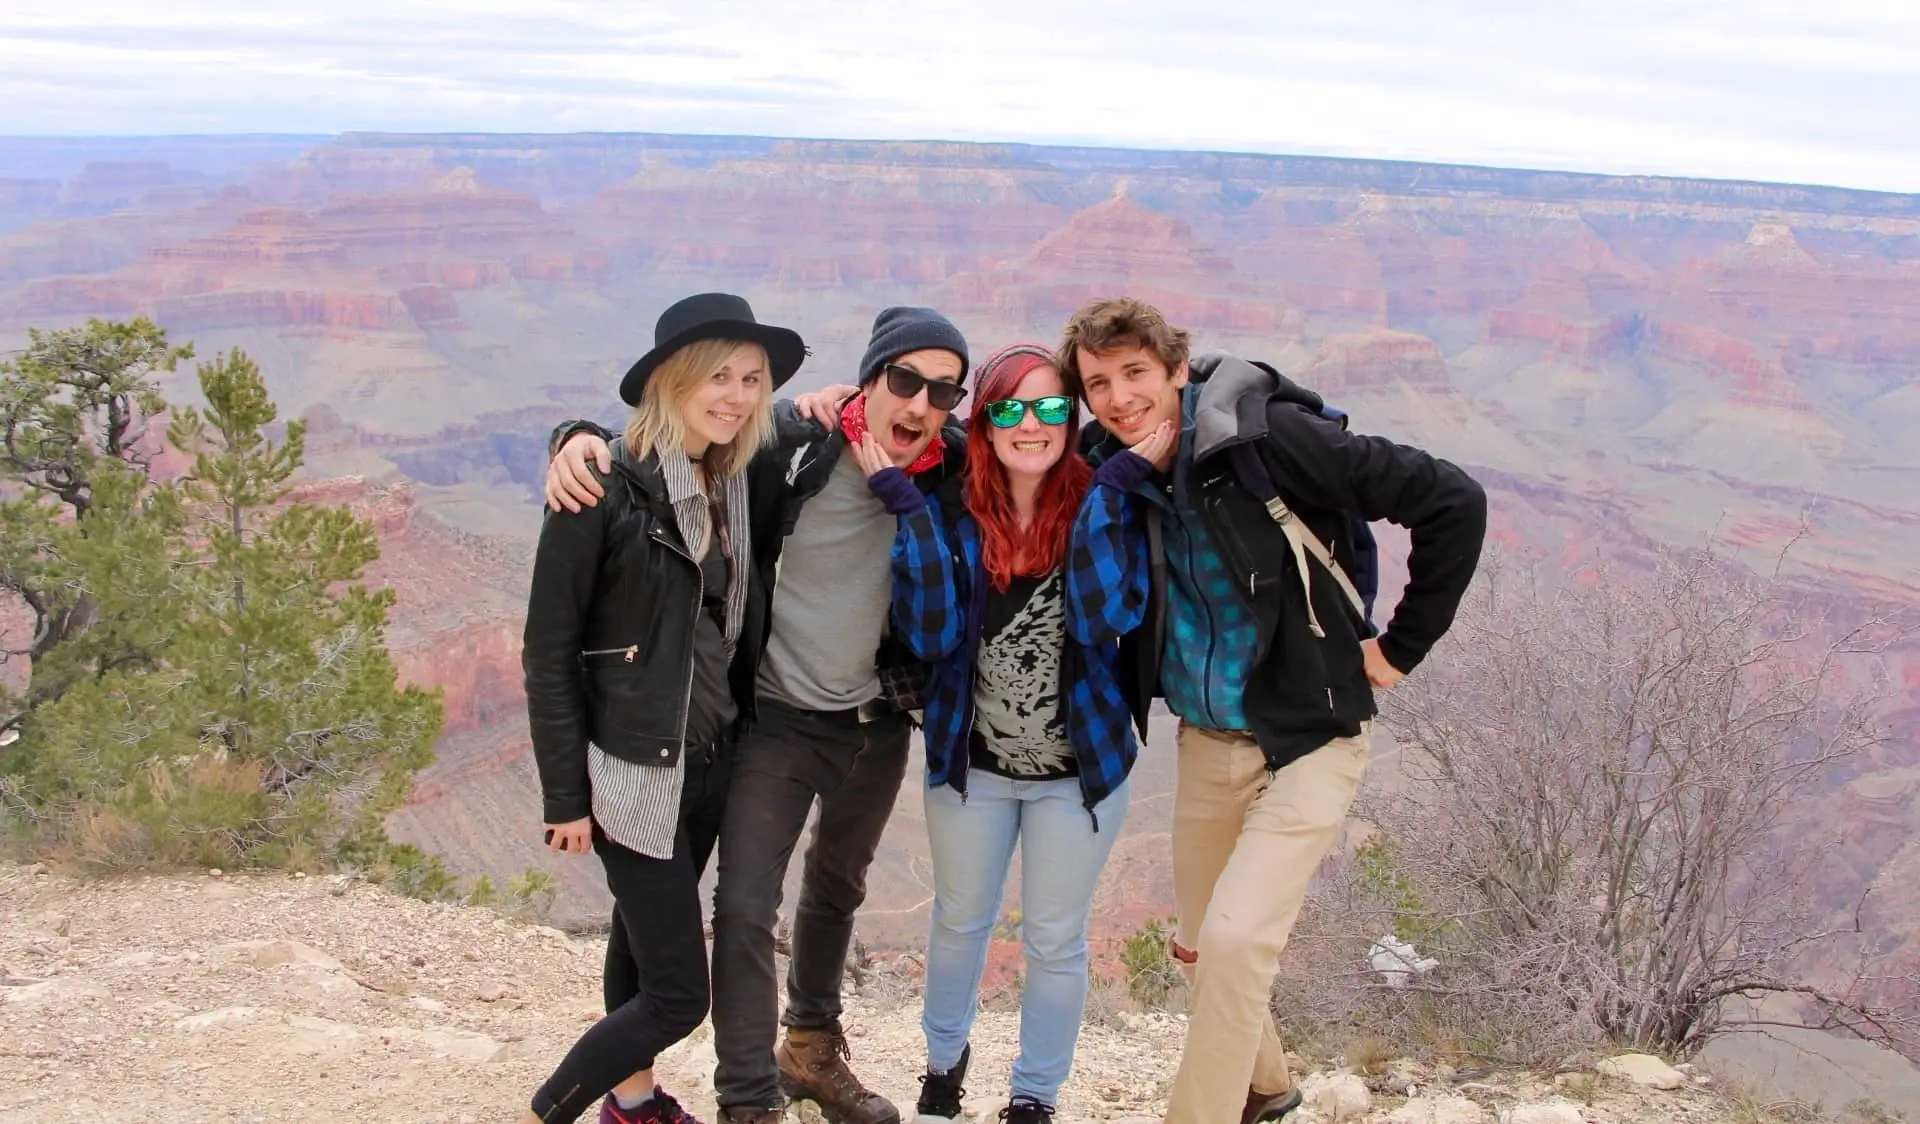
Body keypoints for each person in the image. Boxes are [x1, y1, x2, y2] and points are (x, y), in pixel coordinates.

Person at [1061, 297, 1487, 1124]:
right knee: (1196, 947)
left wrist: (1398, 650)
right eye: (1098, 384)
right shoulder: (1108, 466)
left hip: (1312, 733)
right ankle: (1267, 1088)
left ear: (1178, 369)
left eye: (1136, 374)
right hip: (1208, 735)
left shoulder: (1264, 443)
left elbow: (1452, 500)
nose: (1118, 398)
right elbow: (1004, 462)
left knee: (1233, 942)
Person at [545, 308, 973, 1124]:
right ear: (872, 378)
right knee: (743, 906)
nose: (919, 404)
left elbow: (1059, 452)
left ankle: (808, 1054)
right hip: (777, 717)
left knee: (837, 891)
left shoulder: (950, 468)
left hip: (877, 720)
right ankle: (748, 1102)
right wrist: (574, 437)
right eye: (904, 380)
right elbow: (682, 433)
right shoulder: (796, 444)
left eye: (943, 390)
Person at [520, 292, 800, 1124]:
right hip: (633, 769)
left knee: (636, 946)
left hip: (711, 761)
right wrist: (564, 797)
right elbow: (548, 650)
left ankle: (633, 1105)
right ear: (672, 380)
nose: (738, 395)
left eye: (753, 378)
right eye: (718, 375)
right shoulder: (603, 484)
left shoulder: (734, 476)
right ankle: (549, 1108)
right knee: (680, 996)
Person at [849, 344, 1142, 1124]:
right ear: (984, 421)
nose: (1033, 424)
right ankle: (944, 1065)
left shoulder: (1103, 501)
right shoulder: (949, 506)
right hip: (969, 768)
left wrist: (1106, 495)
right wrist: (911, 516)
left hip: (1079, 774)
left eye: (1052, 408)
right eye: (1011, 407)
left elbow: (1106, 615)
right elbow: (933, 631)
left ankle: (1034, 1096)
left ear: (1072, 421)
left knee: (1053, 940)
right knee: (959, 921)